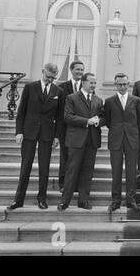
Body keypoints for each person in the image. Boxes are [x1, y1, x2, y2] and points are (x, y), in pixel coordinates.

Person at [7, 63, 64, 211]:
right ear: (42, 72)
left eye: (53, 78)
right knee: (25, 166)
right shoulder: (30, 87)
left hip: (47, 133)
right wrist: (19, 132)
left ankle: (42, 199)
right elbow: (21, 112)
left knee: (44, 167)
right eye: (48, 76)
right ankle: (18, 200)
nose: (50, 80)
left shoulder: (59, 91)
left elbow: (59, 117)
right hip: (29, 131)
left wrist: (57, 136)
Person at [58, 73, 105, 211]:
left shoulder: (98, 100)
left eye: (95, 83)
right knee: (72, 170)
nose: (94, 85)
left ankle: (83, 201)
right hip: (76, 140)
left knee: (87, 171)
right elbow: (67, 117)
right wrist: (87, 122)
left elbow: (103, 118)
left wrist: (98, 122)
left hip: (92, 140)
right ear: (83, 83)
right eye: (91, 82)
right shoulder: (71, 98)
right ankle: (64, 201)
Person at [105, 73, 140, 212]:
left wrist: (130, 131)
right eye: (119, 84)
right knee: (116, 171)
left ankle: (131, 200)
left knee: (132, 171)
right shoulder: (109, 101)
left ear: (129, 84)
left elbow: (139, 120)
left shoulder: (136, 100)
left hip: (132, 139)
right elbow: (108, 121)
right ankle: (115, 201)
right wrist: (117, 130)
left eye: (125, 84)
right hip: (115, 139)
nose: (122, 87)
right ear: (115, 85)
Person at [58, 60, 84, 192]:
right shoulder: (63, 87)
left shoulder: (86, 87)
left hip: (80, 128)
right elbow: (59, 110)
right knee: (65, 156)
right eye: (77, 69)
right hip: (65, 127)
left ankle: (76, 183)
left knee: (78, 157)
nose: (79, 72)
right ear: (71, 70)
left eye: (81, 70)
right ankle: (63, 183)